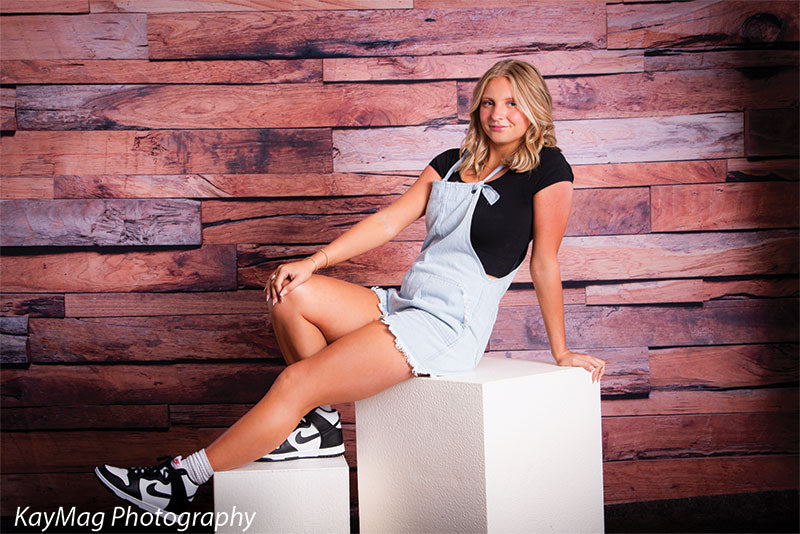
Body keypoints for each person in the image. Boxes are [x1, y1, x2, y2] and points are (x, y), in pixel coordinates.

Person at [94, 58, 607, 515]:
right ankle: (318, 426)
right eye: (490, 101)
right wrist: (313, 262)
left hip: (448, 323)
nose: (499, 113)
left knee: (296, 383)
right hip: (406, 302)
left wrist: (559, 350)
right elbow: (388, 222)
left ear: (534, 107)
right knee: (290, 290)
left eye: (514, 102)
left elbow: (544, 262)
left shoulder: (547, 170)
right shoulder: (452, 160)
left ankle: (181, 481)